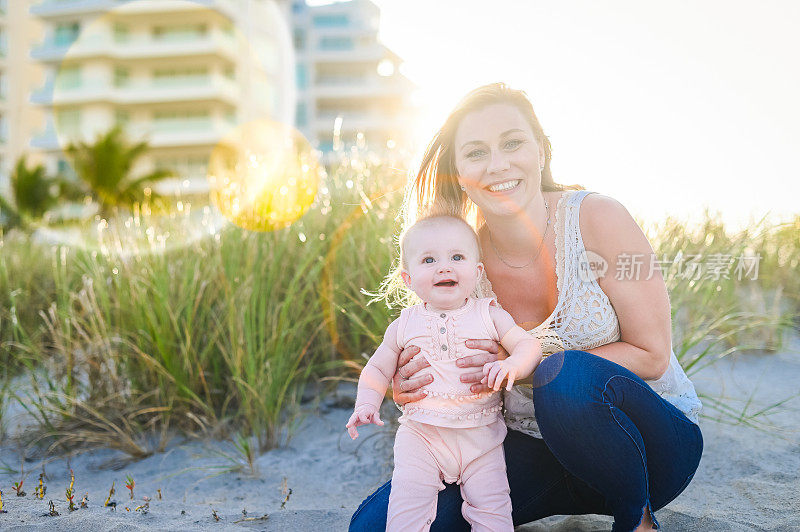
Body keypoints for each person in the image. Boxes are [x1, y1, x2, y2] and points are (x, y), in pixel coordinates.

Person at [349, 83, 703, 532]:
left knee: (564, 378)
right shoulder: (457, 260)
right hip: (527, 451)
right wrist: (408, 380)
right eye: (476, 152)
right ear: (458, 172)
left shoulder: (598, 218)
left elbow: (652, 355)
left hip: (647, 450)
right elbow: (434, 363)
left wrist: (526, 365)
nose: (498, 164)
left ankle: (637, 520)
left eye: (512, 143)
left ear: (541, 150)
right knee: (372, 526)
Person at [346, 214, 542, 531]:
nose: (444, 267)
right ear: (408, 279)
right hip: (422, 435)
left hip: (482, 437)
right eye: (428, 260)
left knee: (492, 509)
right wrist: (366, 403)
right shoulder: (403, 325)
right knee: (406, 507)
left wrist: (511, 365)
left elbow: (528, 346)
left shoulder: (490, 314)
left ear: (477, 272)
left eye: (457, 257)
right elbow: (378, 367)